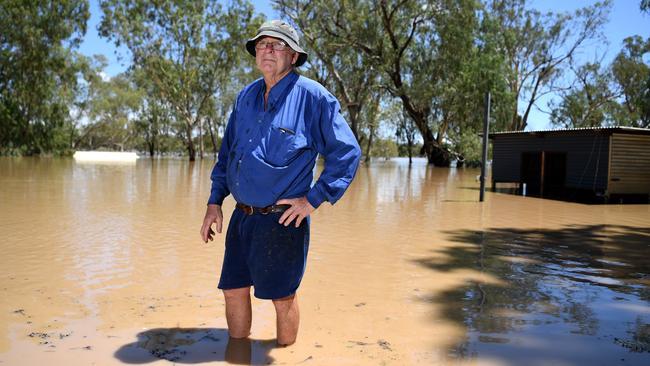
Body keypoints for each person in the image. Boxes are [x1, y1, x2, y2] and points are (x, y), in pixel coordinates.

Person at [199, 20, 361, 346]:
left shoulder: (314, 98)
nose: (268, 49)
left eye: (278, 44)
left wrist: (313, 200)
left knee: (282, 297)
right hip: (241, 217)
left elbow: (347, 153)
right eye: (262, 44)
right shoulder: (245, 97)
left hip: (282, 219)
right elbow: (227, 154)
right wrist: (215, 202)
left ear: (293, 56)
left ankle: (285, 356)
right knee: (232, 289)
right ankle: (238, 353)